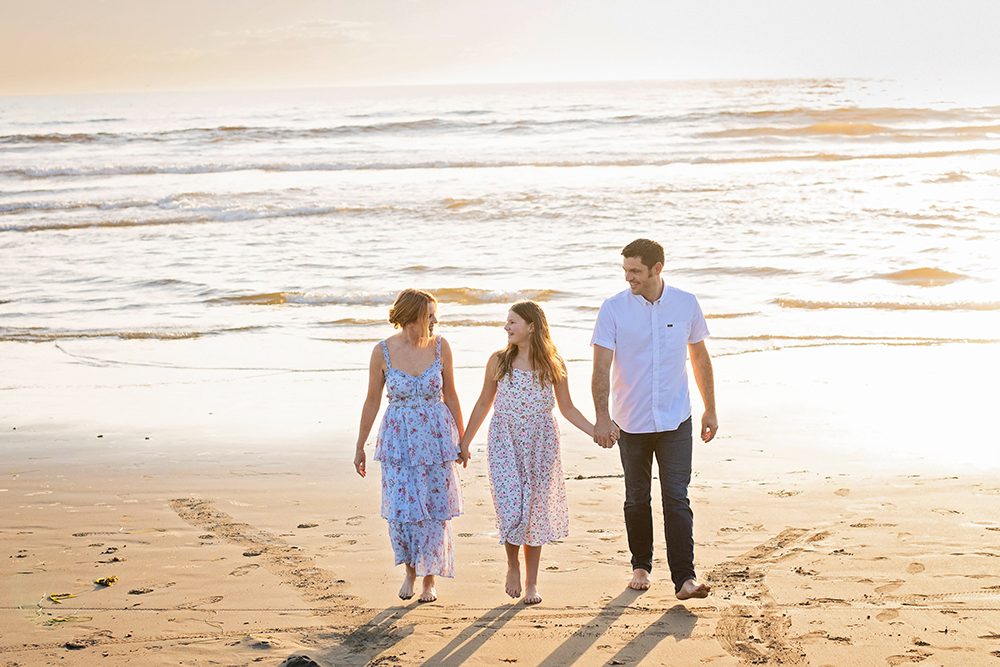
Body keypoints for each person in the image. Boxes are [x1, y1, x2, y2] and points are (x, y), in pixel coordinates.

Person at [591, 238, 718, 600]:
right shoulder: (613, 309)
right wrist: (602, 417)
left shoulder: (685, 304)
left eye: (635, 271)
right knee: (637, 497)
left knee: (677, 497)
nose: (629, 278)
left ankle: (685, 579)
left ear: (656, 269)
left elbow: (699, 358)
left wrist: (710, 407)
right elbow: (600, 367)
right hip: (630, 420)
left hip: (677, 418)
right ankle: (641, 565)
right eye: (626, 271)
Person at [458, 301, 595, 605]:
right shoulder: (498, 361)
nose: (506, 327)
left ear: (531, 326)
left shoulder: (553, 364)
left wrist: (595, 430)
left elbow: (568, 408)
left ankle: (532, 583)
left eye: (512, 322)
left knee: (534, 512)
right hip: (504, 439)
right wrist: (466, 441)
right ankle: (512, 564)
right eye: (506, 323)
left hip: (541, 442)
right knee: (511, 507)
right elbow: (483, 403)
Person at [354, 288, 464, 603]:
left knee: (434, 508)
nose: (435, 320)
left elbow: (452, 395)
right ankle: (410, 572)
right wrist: (360, 444)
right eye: (429, 315)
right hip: (398, 439)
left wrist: (462, 439)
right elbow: (372, 399)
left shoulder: (442, 347)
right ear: (412, 316)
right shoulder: (382, 351)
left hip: (437, 439)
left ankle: (430, 579)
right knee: (403, 509)